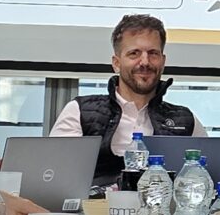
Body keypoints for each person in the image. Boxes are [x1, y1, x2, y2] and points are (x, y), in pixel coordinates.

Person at [50, 14, 201, 187]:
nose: (145, 62)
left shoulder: (185, 120)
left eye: (153, 53)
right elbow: (54, 179)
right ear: (116, 63)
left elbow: (207, 179)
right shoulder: (80, 111)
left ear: (163, 61)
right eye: (134, 53)